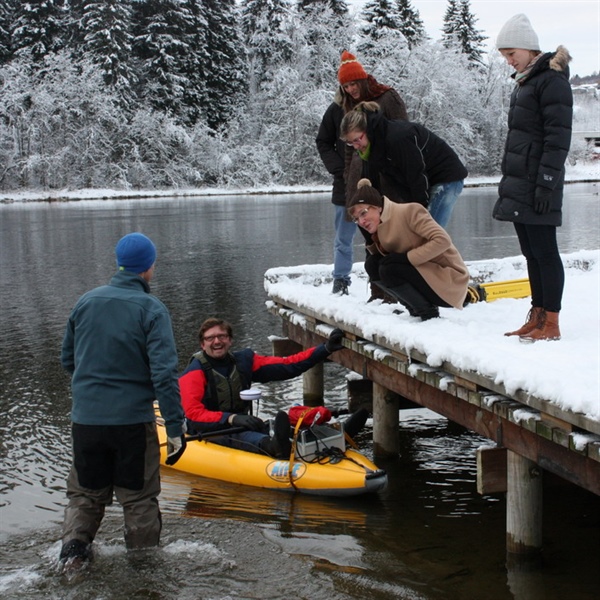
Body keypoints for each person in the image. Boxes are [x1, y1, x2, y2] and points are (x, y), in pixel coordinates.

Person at [58, 233, 187, 573]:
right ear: (149, 267)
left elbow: (68, 359)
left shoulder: (85, 301)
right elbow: (164, 375)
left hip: (86, 422)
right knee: (139, 499)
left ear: (119, 263)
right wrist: (175, 427)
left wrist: (92, 389)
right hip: (131, 423)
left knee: (85, 494)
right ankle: (144, 570)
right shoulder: (151, 308)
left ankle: (73, 557)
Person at [494, 14, 573, 342]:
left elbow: (558, 138)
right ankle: (537, 314)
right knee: (530, 251)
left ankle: (551, 322)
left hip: (540, 184)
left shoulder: (551, 81)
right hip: (521, 183)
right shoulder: (525, 82)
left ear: (529, 48)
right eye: (505, 55)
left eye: (512, 53)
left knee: (545, 251)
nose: (509, 60)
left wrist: (546, 183)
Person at [179, 318, 349, 457]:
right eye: (210, 338)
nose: (217, 341)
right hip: (209, 430)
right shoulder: (194, 372)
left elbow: (288, 365)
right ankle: (272, 446)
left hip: (242, 422)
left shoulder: (244, 361)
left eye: (222, 336)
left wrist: (325, 349)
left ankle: (326, 435)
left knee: (268, 426)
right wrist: (231, 419)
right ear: (202, 344)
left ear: (230, 340)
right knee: (243, 435)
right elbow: (194, 416)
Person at [316, 50, 408, 296]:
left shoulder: (383, 99)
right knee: (344, 236)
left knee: (384, 234)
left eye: (353, 83)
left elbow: (402, 133)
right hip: (347, 184)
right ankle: (341, 280)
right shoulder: (338, 109)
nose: (350, 89)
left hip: (381, 182)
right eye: (345, 85)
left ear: (362, 80)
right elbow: (323, 142)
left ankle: (384, 285)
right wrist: (340, 172)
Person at [347, 179, 469, 321]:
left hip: (449, 280)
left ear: (378, 207)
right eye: (357, 219)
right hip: (425, 276)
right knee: (372, 264)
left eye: (363, 213)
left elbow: (443, 240)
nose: (361, 222)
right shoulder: (379, 225)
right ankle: (414, 308)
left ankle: (428, 312)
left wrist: (407, 258)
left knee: (389, 268)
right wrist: (372, 239)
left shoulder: (409, 211)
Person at [340, 101, 467, 229]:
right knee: (413, 232)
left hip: (446, 177)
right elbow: (372, 188)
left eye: (357, 140)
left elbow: (416, 175)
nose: (355, 146)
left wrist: (419, 211)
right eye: (350, 143)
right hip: (422, 181)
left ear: (367, 130)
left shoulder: (397, 138)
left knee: (429, 232)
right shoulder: (370, 150)